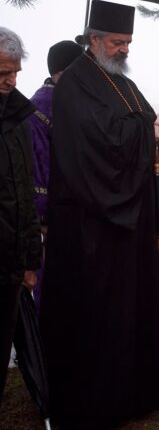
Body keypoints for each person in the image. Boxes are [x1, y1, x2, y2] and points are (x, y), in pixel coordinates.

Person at [40, 0, 159, 428]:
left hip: (127, 229)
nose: (124, 51)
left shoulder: (120, 80)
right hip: (91, 229)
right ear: (95, 39)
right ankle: (96, 402)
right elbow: (97, 147)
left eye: (128, 44)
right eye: (118, 43)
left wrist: (155, 131)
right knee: (96, 320)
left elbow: (133, 125)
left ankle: (134, 394)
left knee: (129, 314)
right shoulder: (75, 84)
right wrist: (149, 129)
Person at [25, 40, 82, 312]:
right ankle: (41, 351)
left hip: (75, 212)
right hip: (51, 219)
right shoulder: (39, 109)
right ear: (62, 72)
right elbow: (38, 169)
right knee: (48, 289)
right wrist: (45, 216)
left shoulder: (72, 103)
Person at [0, 27, 41, 408]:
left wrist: (31, 261)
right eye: (1, 74)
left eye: (14, 73)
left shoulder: (19, 119)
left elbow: (24, 196)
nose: (10, 81)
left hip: (10, 264)